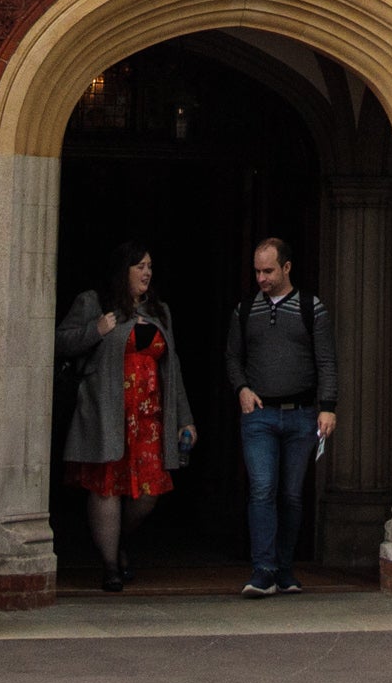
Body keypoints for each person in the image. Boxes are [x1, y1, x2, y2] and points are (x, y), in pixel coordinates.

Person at [54, 243, 192, 593]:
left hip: (148, 419)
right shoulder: (94, 302)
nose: (147, 273)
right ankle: (111, 565)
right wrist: (96, 330)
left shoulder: (160, 311)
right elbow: (60, 341)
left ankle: (115, 542)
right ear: (123, 270)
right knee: (107, 487)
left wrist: (185, 419)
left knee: (147, 494)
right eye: (139, 266)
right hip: (106, 414)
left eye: (150, 266)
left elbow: (172, 367)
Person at [225, 235, 338, 598]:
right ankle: (263, 571)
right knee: (262, 489)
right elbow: (232, 357)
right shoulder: (245, 310)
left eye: (269, 271)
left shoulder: (311, 308)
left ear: (287, 267)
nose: (261, 278)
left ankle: (285, 569)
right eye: (257, 271)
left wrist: (328, 406)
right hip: (259, 415)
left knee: (290, 495)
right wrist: (242, 388)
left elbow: (326, 361)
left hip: (302, 415)